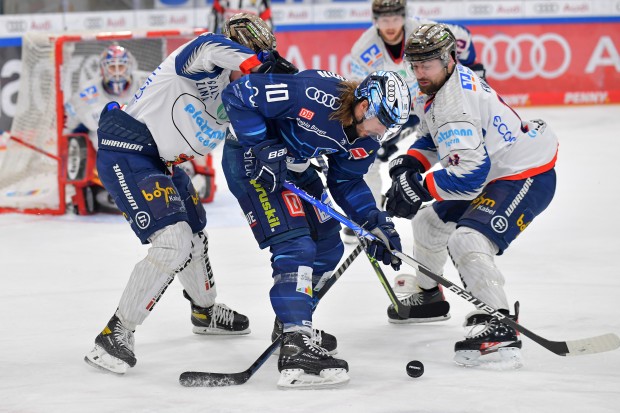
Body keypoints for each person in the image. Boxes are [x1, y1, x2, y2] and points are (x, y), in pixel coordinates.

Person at [83, 30, 280, 375]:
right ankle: (115, 332)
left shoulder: (240, 96)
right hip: (127, 149)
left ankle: (204, 312)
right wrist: (251, 60)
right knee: (173, 242)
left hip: (162, 163)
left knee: (195, 237)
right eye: (250, 61)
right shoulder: (199, 63)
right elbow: (207, 44)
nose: (252, 76)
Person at [221, 69, 411, 388]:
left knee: (328, 247)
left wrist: (374, 222)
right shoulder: (313, 93)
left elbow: (347, 181)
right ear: (364, 105)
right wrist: (262, 145)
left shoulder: (365, 140)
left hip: (294, 169)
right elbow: (238, 93)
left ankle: (293, 323)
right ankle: (295, 343)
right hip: (252, 162)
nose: (384, 130)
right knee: (296, 246)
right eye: (384, 119)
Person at [384, 23, 558, 367]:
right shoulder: (437, 83)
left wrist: (418, 187)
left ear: (449, 59)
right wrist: (409, 165)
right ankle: (431, 297)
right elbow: (434, 138)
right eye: (414, 64)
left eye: (427, 64)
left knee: (467, 239)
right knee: (427, 224)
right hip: (494, 167)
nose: (419, 72)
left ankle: (500, 326)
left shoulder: (455, 104)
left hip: (524, 174)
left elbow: (470, 178)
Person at [349, 0, 482, 210]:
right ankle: (370, 215)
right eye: (384, 19)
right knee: (364, 153)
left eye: (395, 18)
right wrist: (380, 129)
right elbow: (360, 95)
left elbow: (462, 35)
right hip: (393, 112)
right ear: (374, 20)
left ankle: (461, 207)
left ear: (404, 16)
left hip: (431, 102)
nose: (390, 25)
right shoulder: (362, 49)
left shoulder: (421, 30)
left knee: (453, 147)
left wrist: (474, 70)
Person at [65, 43, 217, 215]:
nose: (117, 71)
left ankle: (187, 171)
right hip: (116, 145)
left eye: (120, 66)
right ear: (102, 69)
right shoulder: (88, 92)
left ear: (129, 66)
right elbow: (73, 125)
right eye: (112, 66)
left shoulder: (147, 80)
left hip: (149, 136)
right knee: (92, 135)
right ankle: (110, 182)